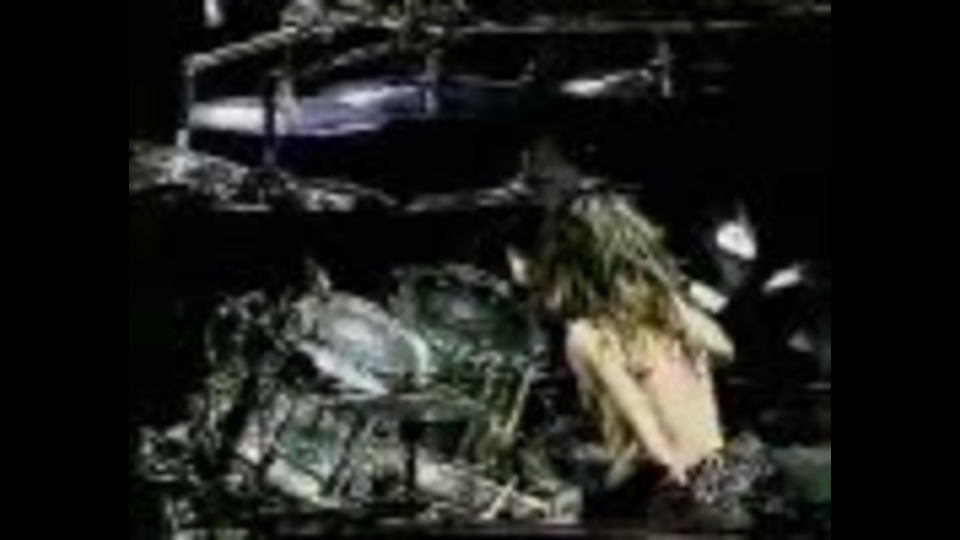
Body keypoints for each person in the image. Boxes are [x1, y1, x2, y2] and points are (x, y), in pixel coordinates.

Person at [509, 191, 756, 521]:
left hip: (670, 495)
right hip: (717, 479)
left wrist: (589, 500)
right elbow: (724, 350)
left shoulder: (588, 335)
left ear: (565, 260)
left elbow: (649, 438)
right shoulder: (668, 306)